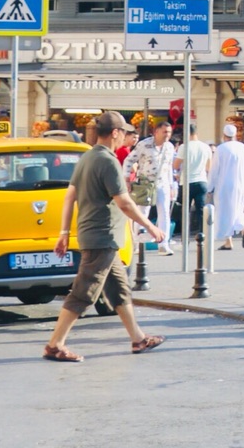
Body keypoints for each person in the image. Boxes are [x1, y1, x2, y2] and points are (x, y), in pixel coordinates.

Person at [42, 112, 168, 361]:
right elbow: (125, 203)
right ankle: (55, 345)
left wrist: (64, 233)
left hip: (99, 237)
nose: (127, 137)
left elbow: (69, 197)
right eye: (124, 133)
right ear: (115, 133)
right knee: (83, 293)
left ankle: (138, 339)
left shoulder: (87, 156)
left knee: (119, 290)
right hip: (102, 237)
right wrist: (150, 226)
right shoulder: (108, 162)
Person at [123, 119, 177, 241]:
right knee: (142, 213)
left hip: (162, 183)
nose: (167, 135)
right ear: (156, 132)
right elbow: (129, 160)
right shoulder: (144, 145)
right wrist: (126, 179)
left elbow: (169, 167)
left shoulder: (169, 147)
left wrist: (172, 185)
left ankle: (164, 243)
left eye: (169, 132)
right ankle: (138, 243)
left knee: (164, 213)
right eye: (164, 132)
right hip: (145, 183)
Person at [210, 123, 244, 250]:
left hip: (224, 185)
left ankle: (228, 240)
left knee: (224, 211)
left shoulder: (221, 149)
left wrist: (210, 187)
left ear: (224, 135)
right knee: (237, 209)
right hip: (240, 184)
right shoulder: (243, 148)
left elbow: (214, 170)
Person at [177, 129, 211, 240]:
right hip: (201, 181)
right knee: (200, 210)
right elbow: (208, 167)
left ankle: (185, 236)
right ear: (197, 133)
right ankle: (202, 235)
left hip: (186, 182)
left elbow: (176, 165)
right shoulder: (206, 147)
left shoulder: (184, 147)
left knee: (185, 210)